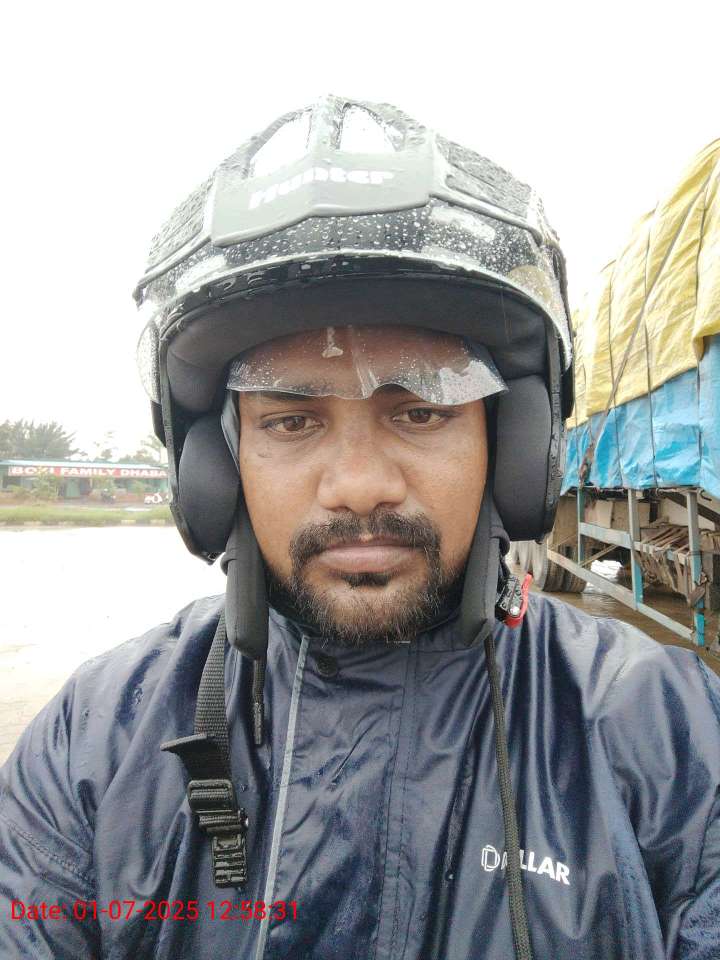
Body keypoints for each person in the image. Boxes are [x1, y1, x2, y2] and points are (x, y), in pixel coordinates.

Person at [1, 95, 719, 960]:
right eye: (291, 421)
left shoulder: (671, 737)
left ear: (511, 449)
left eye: (421, 412)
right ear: (216, 469)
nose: (360, 486)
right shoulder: (95, 740)